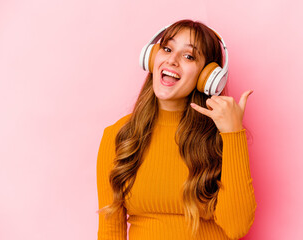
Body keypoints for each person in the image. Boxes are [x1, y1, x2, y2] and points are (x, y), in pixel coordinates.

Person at [96, 19, 256, 240]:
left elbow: (237, 227)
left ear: (207, 77)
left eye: (188, 56)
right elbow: (110, 230)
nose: (172, 60)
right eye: (167, 49)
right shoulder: (119, 135)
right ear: (152, 58)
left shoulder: (221, 137)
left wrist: (232, 134)